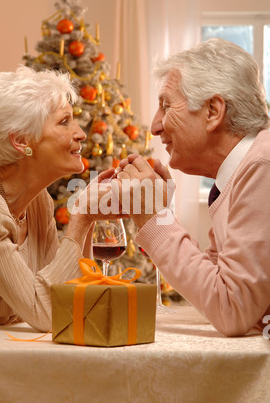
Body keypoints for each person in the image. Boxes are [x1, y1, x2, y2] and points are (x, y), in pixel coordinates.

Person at [115, 38, 270, 337]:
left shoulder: (262, 166)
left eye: (166, 106)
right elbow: (217, 281)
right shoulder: (237, 173)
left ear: (213, 111)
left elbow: (233, 309)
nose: (154, 126)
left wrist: (153, 217)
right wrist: (160, 215)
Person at [0, 66, 114, 332]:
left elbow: (65, 294)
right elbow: (46, 313)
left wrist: (92, 216)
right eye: (64, 122)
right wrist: (81, 216)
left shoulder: (38, 201)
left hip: (7, 356)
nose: (81, 133)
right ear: (21, 140)